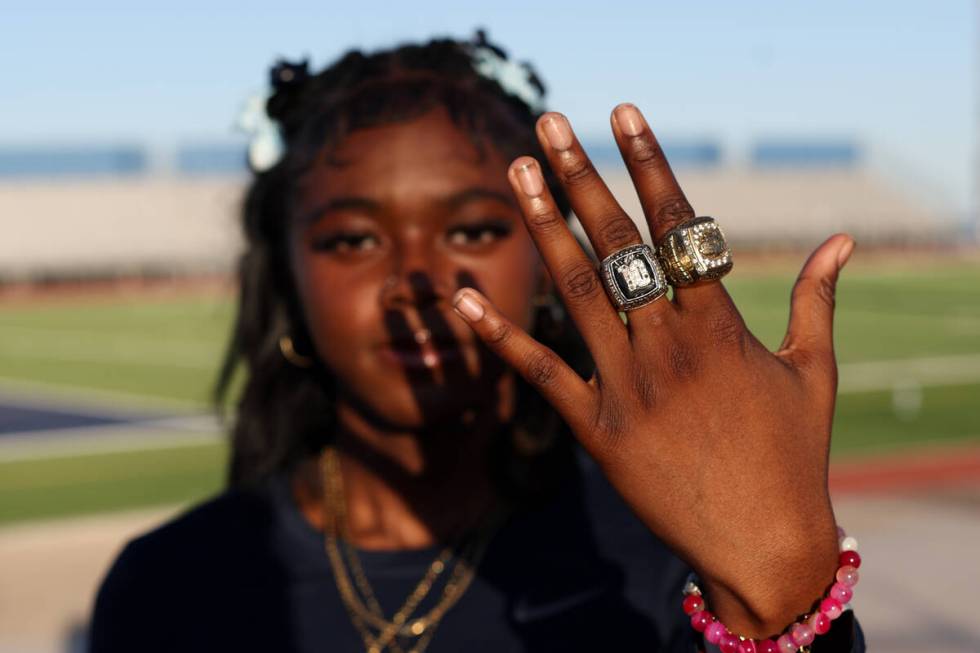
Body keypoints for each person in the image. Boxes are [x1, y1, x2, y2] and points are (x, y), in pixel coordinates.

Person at [89, 32, 865, 653]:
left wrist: (778, 599)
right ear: (286, 276)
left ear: (544, 263)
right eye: (353, 239)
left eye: (474, 228)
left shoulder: (664, 558)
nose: (418, 279)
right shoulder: (170, 582)